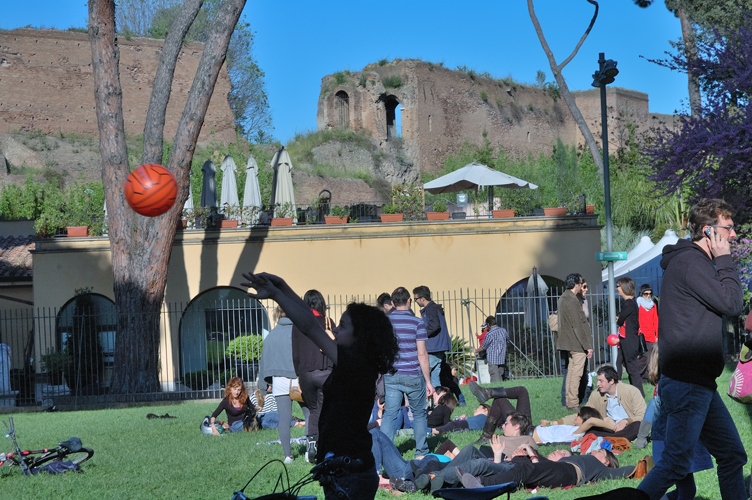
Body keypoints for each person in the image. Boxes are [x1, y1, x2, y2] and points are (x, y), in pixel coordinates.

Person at [243, 272, 400, 500]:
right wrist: (283, 286)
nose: (335, 329)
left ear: (361, 336)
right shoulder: (355, 362)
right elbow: (311, 317)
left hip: (351, 474)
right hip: (343, 467)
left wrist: (277, 294)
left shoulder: (356, 364)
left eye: (343, 326)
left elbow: (310, 327)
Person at [638, 199, 747, 500]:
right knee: (674, 465)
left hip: (698, 383)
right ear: (709, 231)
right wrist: (724, 260)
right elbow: (732, 304)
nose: (733, 235)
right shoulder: (691, 263)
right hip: (687, 384)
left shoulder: (692, 262)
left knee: (732, 455)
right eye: (728, 228)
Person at [381, 286, 434, 458]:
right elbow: (422, 354)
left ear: (393, 303)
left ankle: (385, 452)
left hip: (392, 375)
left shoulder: (385, 323)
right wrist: (428, 381)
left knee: (390, 414)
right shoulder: (417, 322)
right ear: (409, 301)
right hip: (412, 374)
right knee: (419, 414)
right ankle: (421, 452)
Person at [257, 306, 309, 463]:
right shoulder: (300, 333)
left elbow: (264, 362)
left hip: (279, 380)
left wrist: (263, 386)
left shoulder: (271, 336)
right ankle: (309, 451)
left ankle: (288, 455)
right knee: (309, 415)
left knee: (284, 418)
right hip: (299, 379)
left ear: (277, 315)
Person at [291, 289, 336, 463]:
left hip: (305, 374)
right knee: (325, 410)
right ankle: (325, 446)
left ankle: (312, 442)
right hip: (325, 372)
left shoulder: (298, 324)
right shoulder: (328, 322)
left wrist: (298, 376)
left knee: (313, 410)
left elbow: (295, 354)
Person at [466, 445, 633, 489]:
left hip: (569, 472)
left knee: (526, 471)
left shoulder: (603, 468)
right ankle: (462, 478)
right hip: (556, 467)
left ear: (607, 461)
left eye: (600, 451)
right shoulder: (586, 457)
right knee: (522, 462)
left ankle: (481, 483)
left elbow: (626, 470)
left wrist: (650, 463)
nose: (595, 450)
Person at [557, 365, 646, 440]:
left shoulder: (631, 391)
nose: (598, 384)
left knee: (637, 426)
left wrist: (626, 421)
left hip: (628, 426)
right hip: (608, 427)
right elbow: (584, 415)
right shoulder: (596, 395)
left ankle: (611, 438)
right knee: (590, 428)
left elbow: (643, 415)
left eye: (601, 381)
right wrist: (559, 422)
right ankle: (614, 439)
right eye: (597, 380)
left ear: (611, 381)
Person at [556, 273, 593, 410]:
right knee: (576, 374)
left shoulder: (563, 298)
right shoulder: (572, 301)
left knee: (571, 373)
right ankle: (572, 403)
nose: (582, 285)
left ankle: (569, 401)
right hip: (576, 343)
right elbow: (578, 325)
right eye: (581, 283)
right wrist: (588, 346)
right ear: (576, 284)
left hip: (567, 341)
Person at [467, 382, 532, 444]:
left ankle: (487, 393)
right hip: (526, 429)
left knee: (522, 391)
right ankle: (485, 437)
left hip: (526, 432)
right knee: (500, 400)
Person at [413, 285, 451, 389]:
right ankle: (437, 402)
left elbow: (434, 325)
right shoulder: (433, 308)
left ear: (423, 298)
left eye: (416, 299)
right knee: (434, 378)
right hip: (437, 348)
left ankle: (426, 402)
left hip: (433, 348)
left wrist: (421, 334)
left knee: (423, 375)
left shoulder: (430, 309)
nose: (415, 301)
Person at [616, 277, 646, 396]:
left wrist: (618, 319)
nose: (617, 288)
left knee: (632, 369)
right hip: (626, 340)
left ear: (623, 288)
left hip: (629, 341)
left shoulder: (628, 304)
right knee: (619, 363)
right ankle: (616, 391)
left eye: (618, 286)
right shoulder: (632, 302)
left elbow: (620, 320)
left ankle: (639, 395)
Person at [472, 315, 509, 382]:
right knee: (500, 376)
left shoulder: (489, 334)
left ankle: (497, 391)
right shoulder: (503, 331)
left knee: (495, 379)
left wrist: (476, 350)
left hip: (493, 359)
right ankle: (502, 390)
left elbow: (483, 346)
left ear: (488, 324)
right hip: (502, 357)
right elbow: (507, 339)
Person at [636, 283, 658, 382]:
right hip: (641, 335)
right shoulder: (637, 304)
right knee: (643, 357)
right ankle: (637, 375)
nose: (648, 296)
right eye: (646, 294)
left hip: (651, 335)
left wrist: (656, 335)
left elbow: (656, 320)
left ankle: (646, 378)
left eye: (650, 293)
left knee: (651, 357)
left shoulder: (653, 305)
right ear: (641, 294)